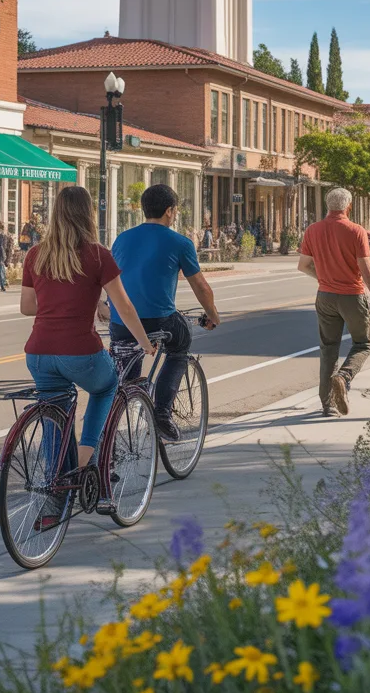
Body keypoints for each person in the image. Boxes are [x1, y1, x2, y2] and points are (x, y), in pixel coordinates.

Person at [21, 185, 154, 474]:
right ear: (88, 215)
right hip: (79, 351)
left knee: (54, 414)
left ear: (55, 214)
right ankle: (83, 460)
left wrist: (69, 303)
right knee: (106, 387)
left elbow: (28, 307)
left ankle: (55, 488)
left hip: (38, 353)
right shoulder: (97, 255)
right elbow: (125, 308)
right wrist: (145, 343)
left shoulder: (35, 255)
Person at [107, 183, 221, 441]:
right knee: (180, 344)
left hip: (121, 321)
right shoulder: (180, 242)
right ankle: (161, 413)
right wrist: (212, 315)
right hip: (158, 320)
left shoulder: (122, 239)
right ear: (170, 211)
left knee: (125, 379)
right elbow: (201, 287)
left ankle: (112, 436)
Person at [297, 186, 370, 418]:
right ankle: (344, 377)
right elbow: (366, 270)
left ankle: (328, 405)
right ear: (349, 206)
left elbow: (303, 265)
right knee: (364, 343)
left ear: (328, 206)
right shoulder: (356, 231)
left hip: (324, 296)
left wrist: (324, 278)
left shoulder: (313, 230)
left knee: (328, 348)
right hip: (352, 296)